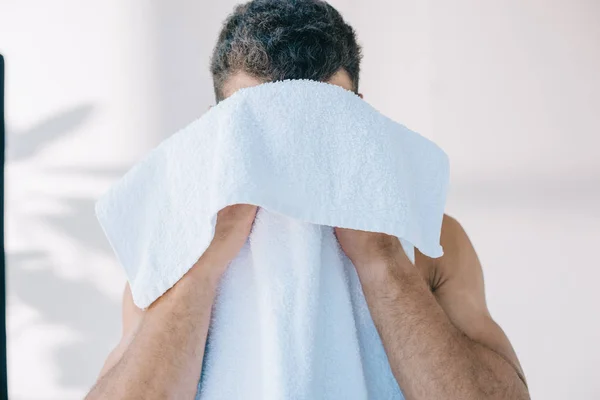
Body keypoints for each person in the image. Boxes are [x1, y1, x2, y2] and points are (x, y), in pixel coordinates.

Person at [86, 1, 530, 399]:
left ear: (358, 118)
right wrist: (199, 270)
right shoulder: (174, 243)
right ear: (215, 132)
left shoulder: (429, 237)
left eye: (322, 126)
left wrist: (384, 259)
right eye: (258, 132)